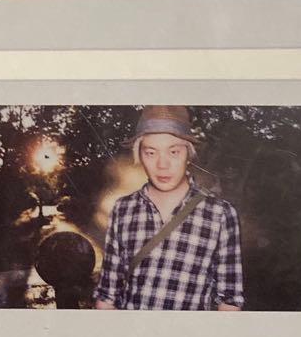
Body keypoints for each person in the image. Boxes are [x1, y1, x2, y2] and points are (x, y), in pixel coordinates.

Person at [94, 105, 244, 311]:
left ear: (188, 154)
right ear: (139, 156)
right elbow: (107, 296)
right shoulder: (123, 209)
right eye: (150, 152)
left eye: (173, 152)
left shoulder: (221, 215)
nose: (162, 164)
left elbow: (230, 302)